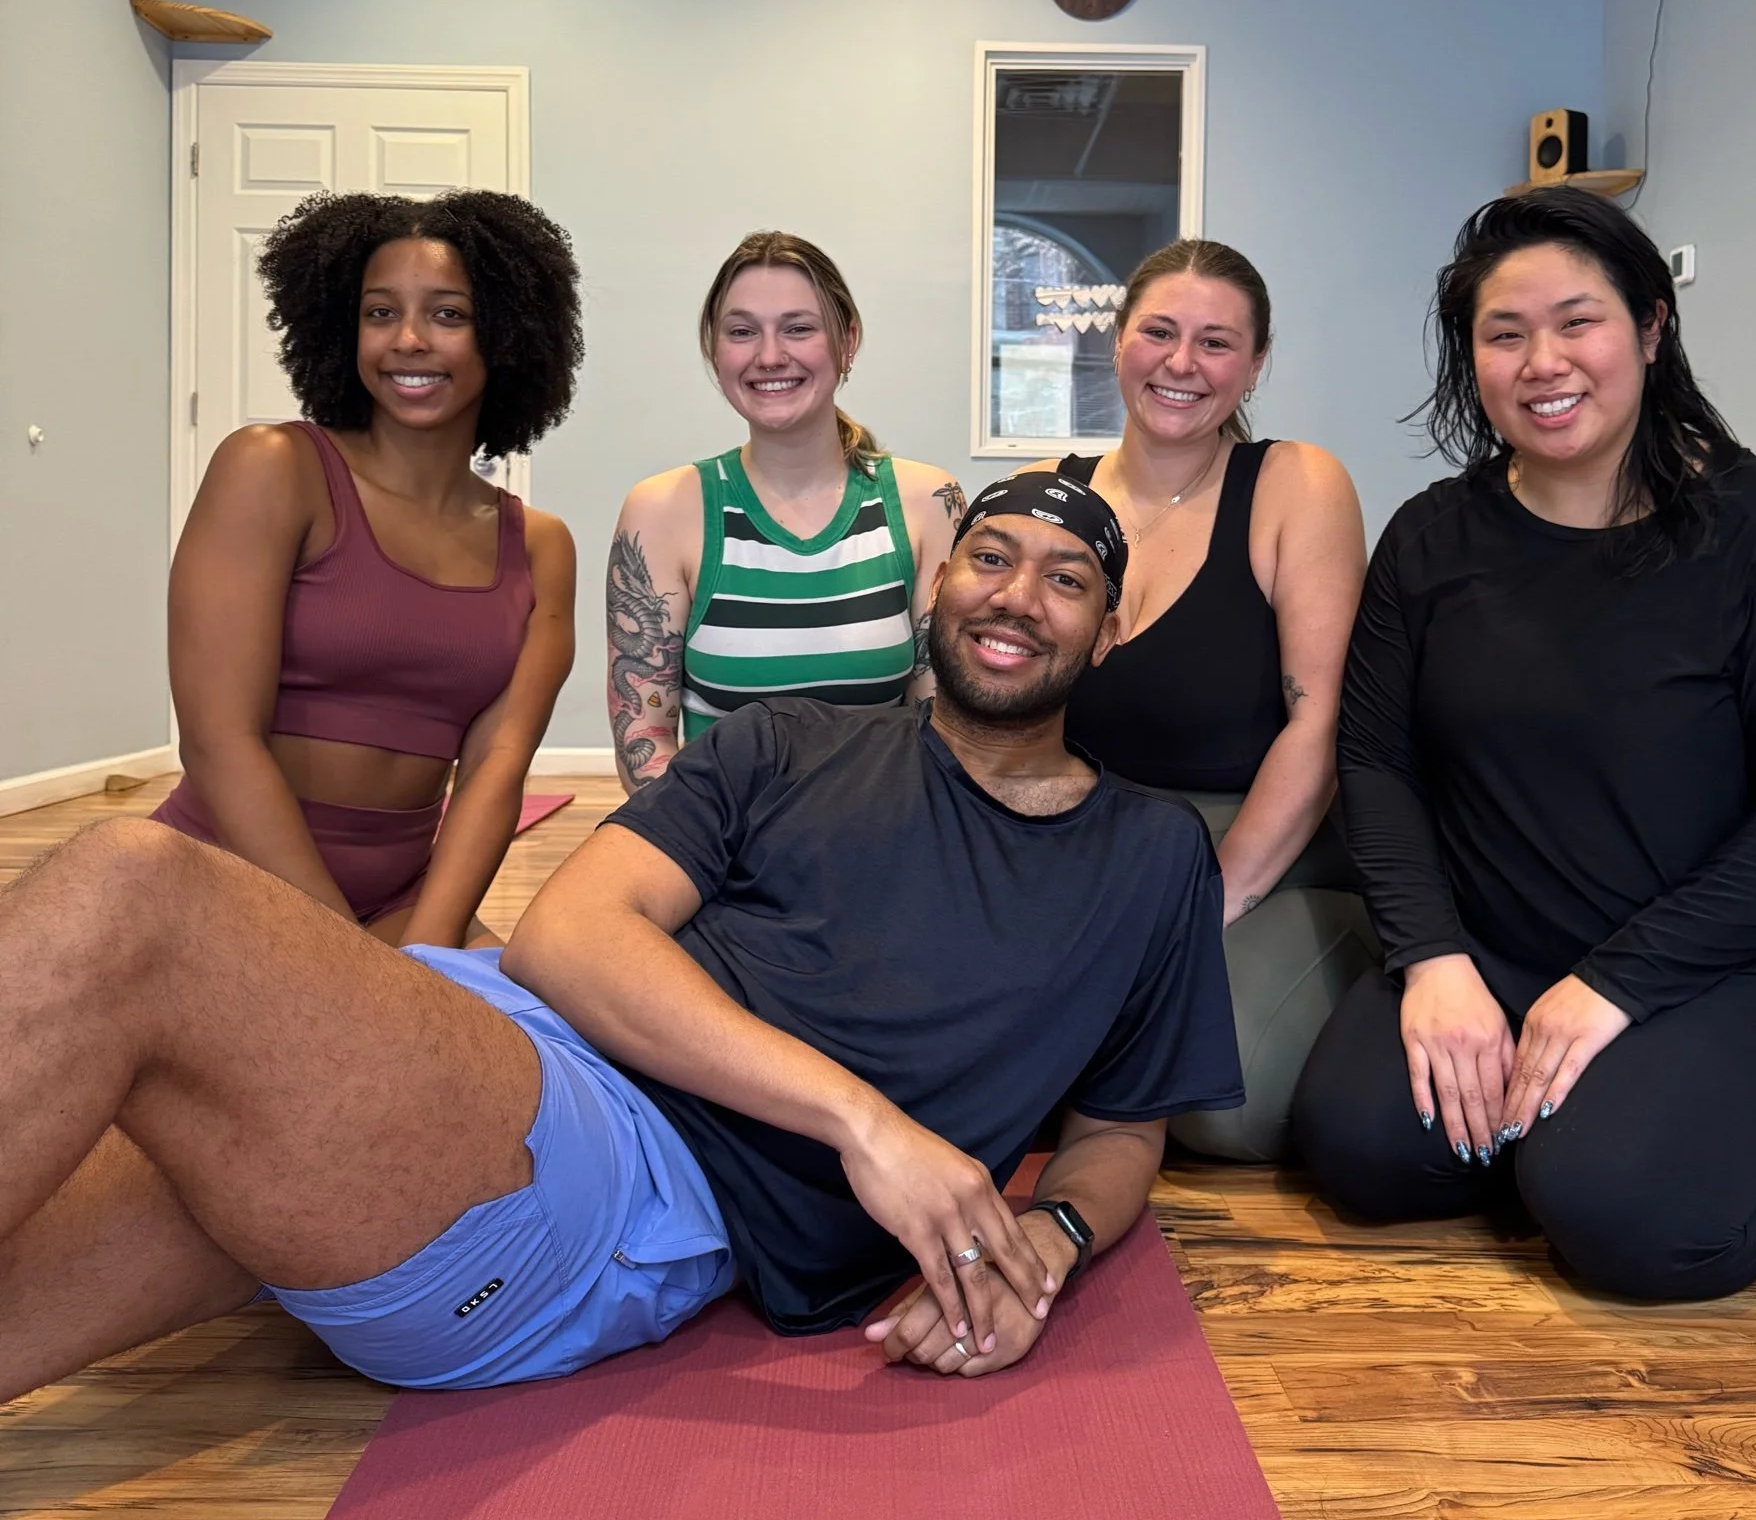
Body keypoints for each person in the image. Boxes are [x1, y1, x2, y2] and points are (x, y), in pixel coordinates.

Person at [0, 472, 1242, 1406]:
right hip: (479, 1025)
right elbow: (567, 936)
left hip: (625, 1177)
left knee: (135, 889)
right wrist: (868, 1124)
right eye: (991, 558)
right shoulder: (786, 740)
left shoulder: (1150, 856)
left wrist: (1047, 1241)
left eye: (1066, 579)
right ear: (939, 586)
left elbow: (1122, 1127)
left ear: (1109, 632)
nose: (1015, 595)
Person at [1294, 188, 1756, 1300]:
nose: (1542, 362)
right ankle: (1577, 1136)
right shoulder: (1430, 538)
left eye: (1577, 322)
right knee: (1362, 1149)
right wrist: (1433, 961)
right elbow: (1377, 762)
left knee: (1621, 1213)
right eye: (1504, 333)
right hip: (1499, 947)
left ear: (1650, 328)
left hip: (1723, 962)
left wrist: (1614, 984)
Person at [152, 190, 580, 948]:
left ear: (508, 334)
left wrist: (428, 951)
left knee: (547, 1021)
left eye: (448, 314)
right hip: (222, 877)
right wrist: (347, 961)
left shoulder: (540, 546)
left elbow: (495, 769)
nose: (408, 339)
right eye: (380, 312)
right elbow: (218, 742)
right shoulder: (272, 468)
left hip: (402, 906)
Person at [1033, 237, 1372, 1161]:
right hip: (1100, 852)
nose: (1181, 363)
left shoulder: (1295, 482)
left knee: (1219, 1103)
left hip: (1263, 858)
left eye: (1216, 342)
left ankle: (1352, 963)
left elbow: (1320, 721)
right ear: (1118, 341)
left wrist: (1200, 908)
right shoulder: (1059, 498)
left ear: (1254, 364)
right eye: (1159, 332)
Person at [605, 231, 965, 791]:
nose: (770, 356)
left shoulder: (930, 502)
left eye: (798, 328)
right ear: (714, 351)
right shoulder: (661, 509)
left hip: (885, 827)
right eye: (742, 331)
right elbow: (644, 741)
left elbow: (941, 732)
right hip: (721, 838)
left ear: (847, 341)